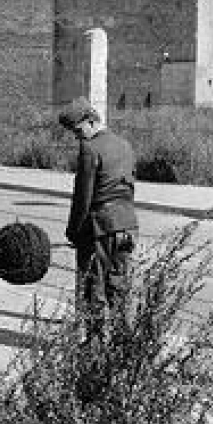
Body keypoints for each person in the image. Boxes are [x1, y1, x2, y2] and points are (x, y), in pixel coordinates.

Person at [58, 97, 138, 347]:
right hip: (127, 223)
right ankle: (123, 341)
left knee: (93, 287)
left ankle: (94, 343)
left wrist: (74, 231)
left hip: (100, 227)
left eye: (78, 131)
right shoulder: (124, 144)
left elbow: (83, 195)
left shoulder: (90, 149)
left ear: (90, 121)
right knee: (120, 285)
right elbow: (130, 187)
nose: (77, 137)